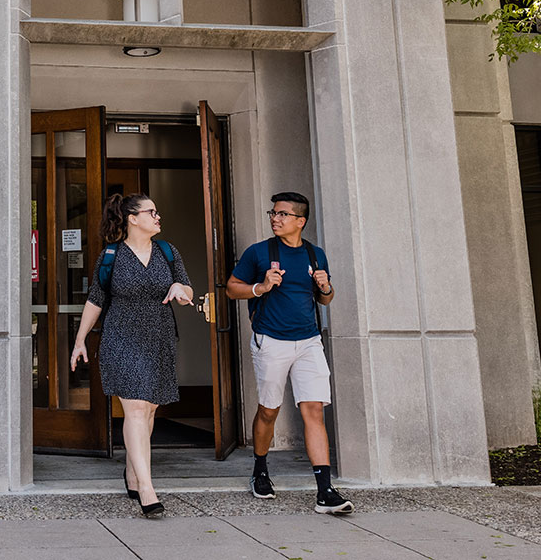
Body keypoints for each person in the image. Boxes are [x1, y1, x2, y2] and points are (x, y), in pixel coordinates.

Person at [225, 191, 352, 514]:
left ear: (300, 221)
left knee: (313, 409)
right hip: (271, 341)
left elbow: (325, 300)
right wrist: (262, 287)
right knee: (269, 410)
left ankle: (325, 492)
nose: (275, 218)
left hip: (309, 342)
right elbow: (231, 288)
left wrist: (326, 288)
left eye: (282, 214)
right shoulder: (259, 253)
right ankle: (260, 470)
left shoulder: (314, 254)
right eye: (273, 213)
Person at [70, 193, 194, 519]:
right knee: (136, 409)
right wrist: (80, 340)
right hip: (121, 338)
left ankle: (131, 471)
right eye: (151, 212)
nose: (158, 216)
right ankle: (148, 489)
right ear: (132, 218)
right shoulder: (110, 256)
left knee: (149, 411)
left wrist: (181, 291)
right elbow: (96, 300)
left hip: (160, 338)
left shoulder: (168, 252)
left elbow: (186, 286)